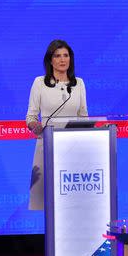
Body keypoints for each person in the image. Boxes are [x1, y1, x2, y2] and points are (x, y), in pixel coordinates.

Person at [26, 39, 88, 210]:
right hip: (47, 147)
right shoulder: (40, 83)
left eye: (66, 55)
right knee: (47, 201)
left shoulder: (79, 84)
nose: (62, 59)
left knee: (71, 203)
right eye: (57, 56)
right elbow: (30, 117)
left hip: (72, 148)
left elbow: (83, 117)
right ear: (50, 60)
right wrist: (35, 126)